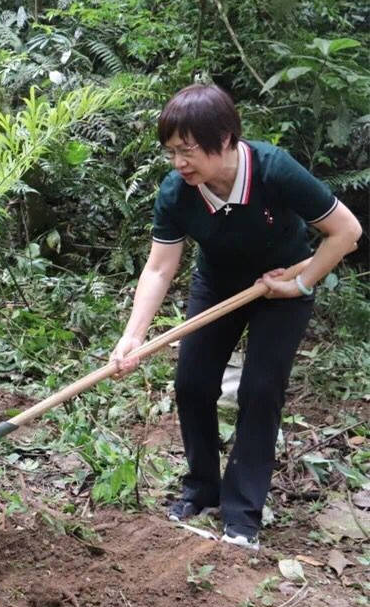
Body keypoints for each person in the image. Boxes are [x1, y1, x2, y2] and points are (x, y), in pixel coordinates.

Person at [109, 84, 362, 551]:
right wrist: (133, 336)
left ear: (226, 139)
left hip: (281, 284)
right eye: (171, 152)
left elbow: (346, 231)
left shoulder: (274, 170)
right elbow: (160, 267)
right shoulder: (177, 193)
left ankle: (243, 512)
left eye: (188, 150)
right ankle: (202, 489)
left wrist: (301, 283)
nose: (180, 163)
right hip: (218, 284)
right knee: (192, 384)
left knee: (260, 391)